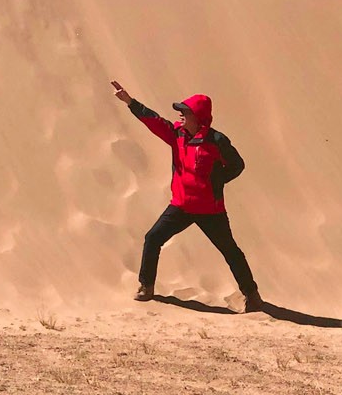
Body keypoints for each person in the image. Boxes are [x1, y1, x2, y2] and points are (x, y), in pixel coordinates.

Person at [110, 80, 263, 311]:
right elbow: (154, 121)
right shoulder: (177, 135)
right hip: (180, 206)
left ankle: (252, 295)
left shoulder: (216, 140)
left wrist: (216, 181)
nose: (180, 115)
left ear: (197, 116)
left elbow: (237, 165)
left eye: (185, 112)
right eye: (180, 112)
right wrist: (130, 102)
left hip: (210, 209)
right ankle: (146, 286)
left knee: (230, 251)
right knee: (153, 238)